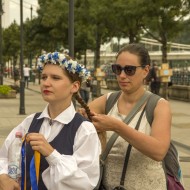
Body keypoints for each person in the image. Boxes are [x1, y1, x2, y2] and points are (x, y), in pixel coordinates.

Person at [0, 52, 101, 190]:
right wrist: (3, 176)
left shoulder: (84, 130)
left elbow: (85, 183)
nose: (46, 83)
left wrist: (51, 154)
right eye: (43, 77)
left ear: (75, 86)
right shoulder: (30, 122)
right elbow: (5, 155)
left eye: (55, 78)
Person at [78, 43, 171, 189]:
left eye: (129, 70)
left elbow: (159, 151)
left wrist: (116, 126)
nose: (122, 75)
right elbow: (78, 122)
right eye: (117, 69)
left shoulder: (159, 105)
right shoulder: (108, 100)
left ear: (146, 70)